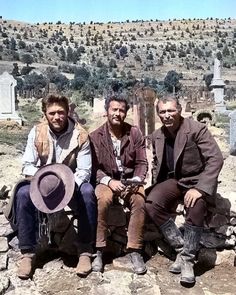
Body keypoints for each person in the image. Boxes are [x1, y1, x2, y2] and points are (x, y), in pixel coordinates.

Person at [12, 94, 97, 279]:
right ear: (45, 114)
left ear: (68, 112)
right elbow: (26, 164)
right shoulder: (36, 132)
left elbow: (84, 171)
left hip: (71, 185)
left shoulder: (80, 135)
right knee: (23, 193)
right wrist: (44, 178)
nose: (57, 117)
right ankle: (28, 252)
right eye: (52, 113)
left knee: (88, 192)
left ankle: (85, 250)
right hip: (44, 184)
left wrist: (66, 185)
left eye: (61, 112)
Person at [145, 95, 224, 285]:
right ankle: (181, 248)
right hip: (175, 181)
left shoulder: (196, 129)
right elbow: (156, 164)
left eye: (171, 110)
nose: (167, 115)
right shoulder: (157, 135)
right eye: (162, 112)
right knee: (152, 203)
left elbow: (216, 159)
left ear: (180, 110)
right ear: (158, 114)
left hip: (196, 180)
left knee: (196, 207)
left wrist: (200, 189)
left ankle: (188, 260)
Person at [89, 94, 148, 274]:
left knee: (139, 200)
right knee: (102, 199)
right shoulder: (95, 136)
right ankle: (99, 249)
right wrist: (108, 181)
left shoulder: (134, 133)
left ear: (126, 113)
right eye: (114, 109)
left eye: (121, 110)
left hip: (129, 180)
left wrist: (137, 179)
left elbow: (142, 163)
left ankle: (134, 249)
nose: (117, 114)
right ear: (106, 111)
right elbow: (93, 168)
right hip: (106, 180)